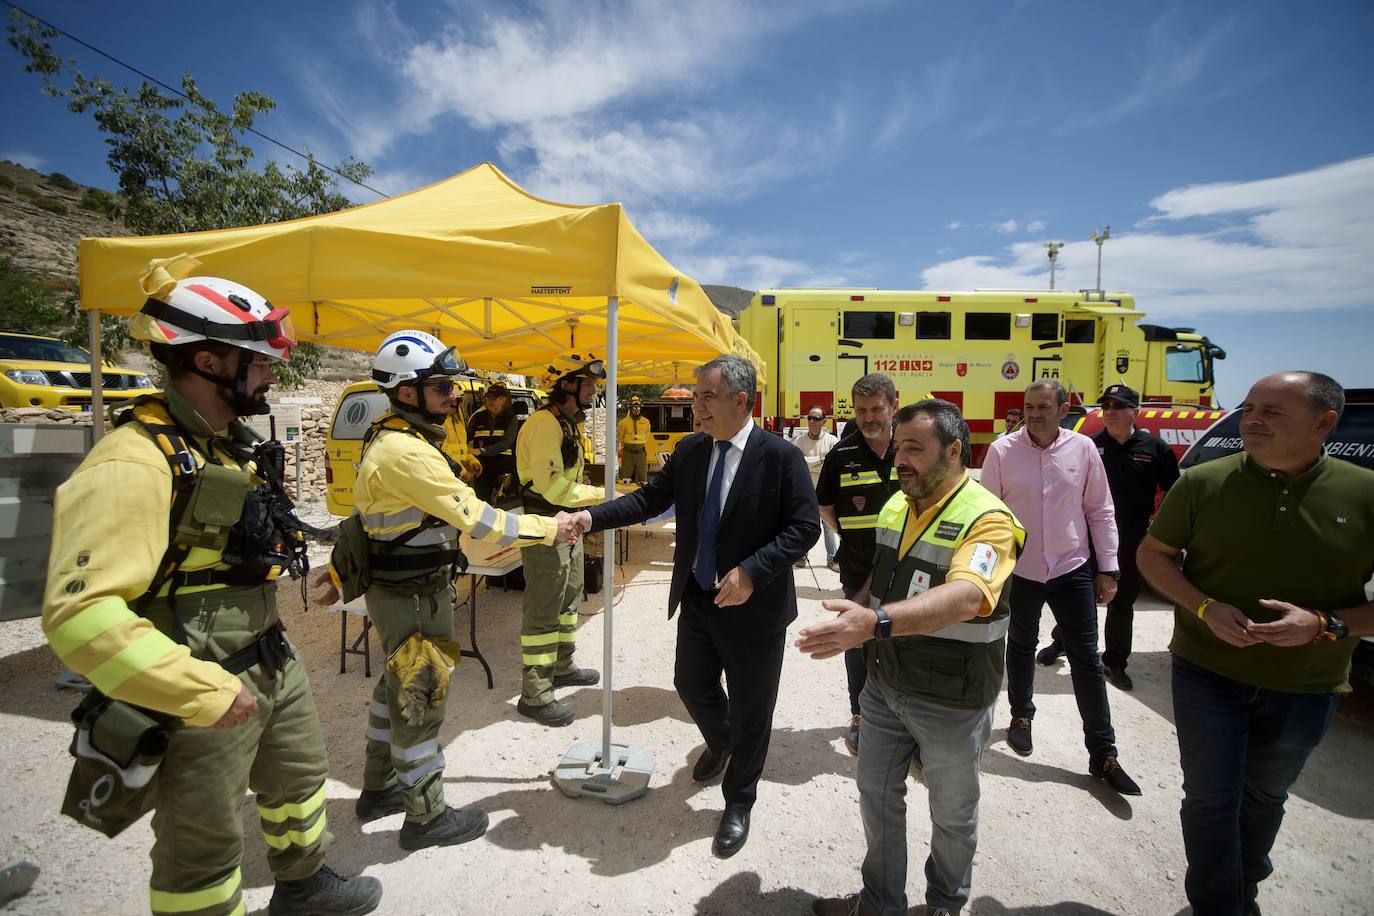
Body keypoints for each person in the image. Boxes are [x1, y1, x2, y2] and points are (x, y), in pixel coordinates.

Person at [42, 261, 381, 916]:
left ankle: (303, 884)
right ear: (207, 359)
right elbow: (78, 615)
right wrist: (194, 690)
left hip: (271, 658)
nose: (273, 373)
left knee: (301, 780)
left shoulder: (227, 447)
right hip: (203, 681)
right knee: (203, 835)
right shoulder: (132, 461)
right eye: (259, 360)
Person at [1137, 371, 1374, 916]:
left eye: (1271, 411)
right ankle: (1221, 904)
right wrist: (1202, 606)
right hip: (1207, 671)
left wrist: (1325, 624)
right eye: (1247, 409)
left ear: (1325, 423)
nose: (1252, 420)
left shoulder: (1363, 495)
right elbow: (1153, 556)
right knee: (1211, 799)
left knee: (1265, 796)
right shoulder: (1203, 483)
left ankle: (1242, 887)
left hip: (1307, 685)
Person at [569, 354, 819, 858]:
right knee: (690, 684)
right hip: (700, 597)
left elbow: (804, 528)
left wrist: (752, 571)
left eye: (706, 396)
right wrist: (589, 519)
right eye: (697, 395)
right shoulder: (689, 451)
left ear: (740, 401)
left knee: (754, 708)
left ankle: (739, 800)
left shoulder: (779, 457)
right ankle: (723, 739)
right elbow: (648, 500)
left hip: (755, 608)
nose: (696, 407)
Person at [343, 330, 576, 849]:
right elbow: (475, 518)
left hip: (407, 587)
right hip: (414, 594)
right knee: (420, 697)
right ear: (407, 392)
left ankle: (378, 788)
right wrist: (549, 528)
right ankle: (425, 818)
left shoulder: (398, 439)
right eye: (441, 386)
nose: (453, 395)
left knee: (393, 688)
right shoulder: (406, 451)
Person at [801, 399, 1024, 916]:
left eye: (915, 449)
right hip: (884, 685)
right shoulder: (897, 505)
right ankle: (880, 904)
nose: (900, 459)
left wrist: (875, 625)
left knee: (951, 813)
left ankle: (945, 904)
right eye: (899, 448)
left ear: (954, 450)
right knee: (876, 796)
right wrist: (851, 619)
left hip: (953, 696)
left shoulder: (990, 520)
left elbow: (969, 595)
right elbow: (880, 589)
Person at [980, 379, 1141, 795]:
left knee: (1087, 658)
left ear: (1063, 407)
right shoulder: (1001, 451)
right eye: (1029, 406)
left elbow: (1100, 511)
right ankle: (1021, 715)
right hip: (1022, 568)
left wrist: (1109, 568)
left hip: (1072, 567)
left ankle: (1103, 752)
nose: (1035, 414)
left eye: (1044, 407)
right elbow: (988, 516)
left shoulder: (1083, 449)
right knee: (1019, 643)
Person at [1037, 384, 1179, 690]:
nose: (1110, 411)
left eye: (1118, 406)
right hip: (1087, 537)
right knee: (1076, 596)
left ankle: (1115, 662)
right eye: (1107, 406)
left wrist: (1159, 521)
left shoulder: (1155, 448)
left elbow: (1171, 490)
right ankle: (1060, 643)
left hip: (1131, 538)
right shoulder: (1089, 445)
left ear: (1134, 411)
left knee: (1122, 602)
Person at [512, 355, 607, 725]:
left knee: (569, 596)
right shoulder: (543, 424)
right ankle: (534, 694)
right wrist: (603, 495)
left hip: (568, 526)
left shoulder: (568, 424)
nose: (592, 390)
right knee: (544, 605)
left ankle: (562, 667)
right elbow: (552, 488)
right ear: (566, 385)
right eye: (586, 384)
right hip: (544, 527)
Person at [815, 374, 899, 755]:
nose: (869, 417)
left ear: (893, 406)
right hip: (858, 568)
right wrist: (852, 535)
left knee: (906, 641)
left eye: (877, 409)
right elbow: (825, 507)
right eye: (861, 410)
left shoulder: (913, 450)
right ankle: (860, 715)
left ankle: (905, 721)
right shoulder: (842, 454)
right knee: (858, 641)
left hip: (908, 571)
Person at [793, 404, 840, 570]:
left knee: (829, 527)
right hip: (806, 492)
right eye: (810, 418)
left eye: (816, 418)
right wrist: (821, 460)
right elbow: (798, 465)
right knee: (805, 527)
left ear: (823, 421)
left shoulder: (832, 441)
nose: (812, 421)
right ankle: (801, 557)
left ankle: (833, 559)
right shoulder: (799, 441)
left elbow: (832, 466)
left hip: (826, 493)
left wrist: (809, 461)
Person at [466, 381, 520, 503]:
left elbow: (505, 444)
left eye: (493, 399)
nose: (489, 402)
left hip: (503, 469)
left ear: (502, 400)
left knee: (503, 504)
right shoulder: (477, 417)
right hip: (481, 469)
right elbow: (464, 438)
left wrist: (481, 451)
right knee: (481, 504)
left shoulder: (511, 419)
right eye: (488, 398)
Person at [617, 395, 652, 485]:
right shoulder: (623, 423)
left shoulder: (646, 422)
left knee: (643, 481)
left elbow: (646, 435)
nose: (636, 409)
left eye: (638, 407)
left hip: (641, 453)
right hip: (627, 453)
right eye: (634, 407)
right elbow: (620, 438)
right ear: (630, 409)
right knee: (625, 480)